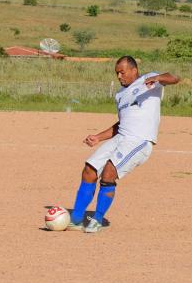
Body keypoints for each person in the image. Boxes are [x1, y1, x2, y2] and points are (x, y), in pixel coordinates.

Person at [66, 56, 180, 233]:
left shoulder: (148, 80)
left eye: (122, 72)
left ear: (134, 70)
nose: (119, 76)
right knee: (89, 169)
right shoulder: (120, 94)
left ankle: (97, 219)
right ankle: (76, 219)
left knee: (109, 172)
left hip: (140, 140)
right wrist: (98, 137)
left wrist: (156, 78)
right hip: (121, 138)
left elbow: (174, 78)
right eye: (116, 73)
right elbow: (121, 124)